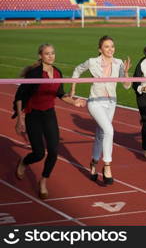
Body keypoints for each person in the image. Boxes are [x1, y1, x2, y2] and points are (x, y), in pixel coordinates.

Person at [13, 43, 86, 199]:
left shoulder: (57, 72)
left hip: (49, 114)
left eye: (53, 53)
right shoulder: (34, 73)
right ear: (41, 55)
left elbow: (60, 94)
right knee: (39, 153)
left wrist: (75, 102)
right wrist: (20, 119)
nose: (51, 56)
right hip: (33, 115)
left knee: (53, 151)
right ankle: (24, 162)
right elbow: (20, 97)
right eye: (47, 53)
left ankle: (43, 181)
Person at [70, 35, 131, 185]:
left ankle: (93, 162)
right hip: (95, 102)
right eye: (106, 46)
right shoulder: (92, 62)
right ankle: (107, 166)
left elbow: (127, 85)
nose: (110, 49)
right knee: (109, 131)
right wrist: (73, 88)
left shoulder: (118, 63)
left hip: (111, 102)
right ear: (100, 49)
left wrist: (126, 72)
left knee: (101, 134)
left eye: (112, 46)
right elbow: (77, 70)